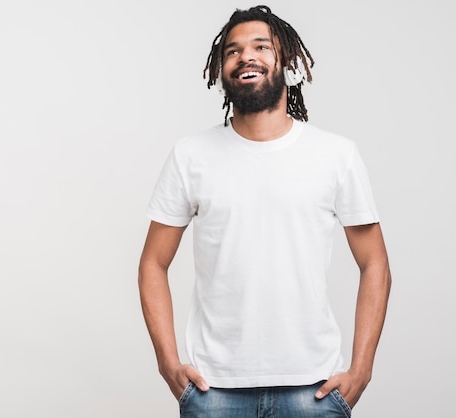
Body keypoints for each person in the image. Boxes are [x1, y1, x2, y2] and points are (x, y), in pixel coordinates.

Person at [138, 5, 391, 417]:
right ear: (222, 70)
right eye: (233, 51)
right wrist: (168, 362)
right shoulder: (190, 156)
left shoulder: (336, 155)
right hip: (214, 389)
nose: (245, 56)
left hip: (314, 389)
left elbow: (375, 262)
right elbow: (152, 262)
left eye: (261, 46)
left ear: (285, 61)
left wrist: (361, 369)